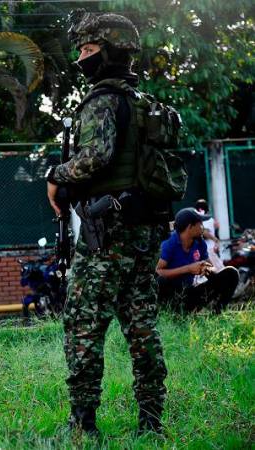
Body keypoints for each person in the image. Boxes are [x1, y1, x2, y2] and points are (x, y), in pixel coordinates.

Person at [45, 11, 168, 436]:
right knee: (142, 324)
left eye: (88, 49)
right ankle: (151, 423)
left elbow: (95, 158)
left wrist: (55, 176)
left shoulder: (102, 101)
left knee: (82, 322)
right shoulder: (142, 103)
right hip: (145, 231)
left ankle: (83, 424)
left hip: (108, 234)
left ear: (111, 52)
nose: (81, 57)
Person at [156, 207, 238, 312]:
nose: (203, 227)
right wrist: (189, 269)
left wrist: (206, 269)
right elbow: (159, 271)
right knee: (160, 281)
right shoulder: (169, 244)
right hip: (171, 296)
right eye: (200, 224)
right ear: (190, 227)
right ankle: (169, 313)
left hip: (190, 295)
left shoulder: (200, 243)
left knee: (231, 273)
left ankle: (217, 312)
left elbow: (211, 268)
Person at [194, 199, 224, 270]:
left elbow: (204, 232)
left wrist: (215, 240)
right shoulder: (211, 220)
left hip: (208, 249)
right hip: (209, 249)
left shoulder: (204, 219)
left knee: (218, 271)